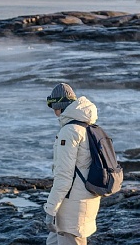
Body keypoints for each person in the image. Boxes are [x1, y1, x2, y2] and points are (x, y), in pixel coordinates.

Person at [42, 83, 101, 245]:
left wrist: (50, 209)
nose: (54, 112)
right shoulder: (88, 127)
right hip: (87, 198)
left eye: (53, 107)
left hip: (72, 207)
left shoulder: (69, 132)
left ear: (60, 105)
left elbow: (64, 176)